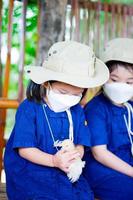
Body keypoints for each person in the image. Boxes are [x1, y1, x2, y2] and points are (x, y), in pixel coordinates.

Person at [4, 41, 109, 200]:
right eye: (63, 91)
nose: (69, 99)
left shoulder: (76, 111)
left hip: (63, 170)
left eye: (76, 95)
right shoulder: (29, 108)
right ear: (47, 83)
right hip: (30, 171)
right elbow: (24, 150)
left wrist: (75, 155)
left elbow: (81, 142)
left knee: (84, 195)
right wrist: (53, 160)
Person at [83, 38, 133, 200]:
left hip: (127, 163)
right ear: (103, 77)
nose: (121, 86)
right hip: (102, 167)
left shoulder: (130, 106)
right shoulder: (96, 108)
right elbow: (100, 153)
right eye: (114, 79)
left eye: (129, 82)